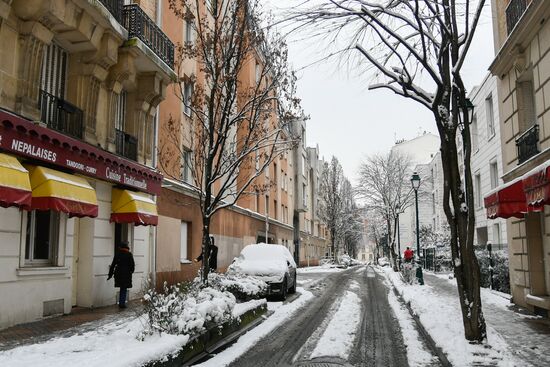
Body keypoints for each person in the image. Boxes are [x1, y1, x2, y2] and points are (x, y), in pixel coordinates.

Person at [107, 241, 135, 309]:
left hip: (118, 273)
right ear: (126, 247)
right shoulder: (129, 254)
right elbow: (132, 265)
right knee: (124, 288)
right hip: (126, 274)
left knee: (122, 287)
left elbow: (113, 265)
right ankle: (122, 303)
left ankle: (121, 302)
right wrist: (131, 271)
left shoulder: (117, 254)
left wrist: (110, 275)